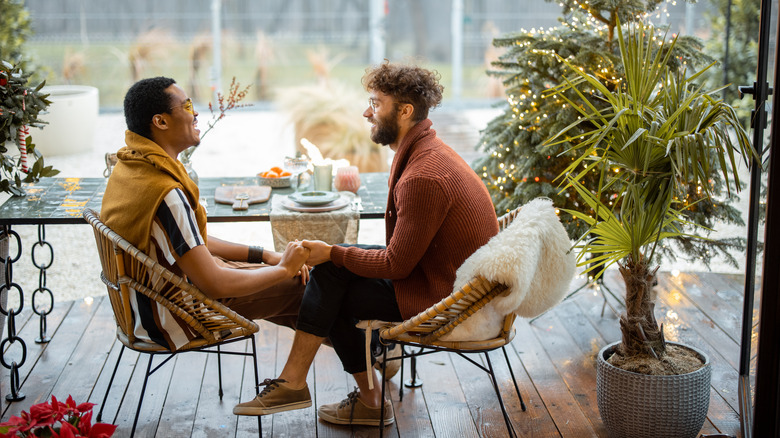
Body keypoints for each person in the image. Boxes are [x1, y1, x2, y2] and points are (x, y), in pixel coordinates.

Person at [232, 61, 499, 427]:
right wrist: (332, 256)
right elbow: (402, 255)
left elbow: (397, 266)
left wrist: (333, 253)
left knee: (333, 291)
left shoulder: (423, 175)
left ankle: (347, 396)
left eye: (375, 102)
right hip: (441, 276)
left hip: (445, 295)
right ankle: (335, 385)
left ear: (404, 111)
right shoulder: (424, 152)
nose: (366, 111)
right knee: (331, 272)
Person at [101, 77, 310, 351]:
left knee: (302, 292)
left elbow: (189, 241)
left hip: (144, 307)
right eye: (187, 105)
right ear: (161, 122)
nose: (196, 112)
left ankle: (366, 367)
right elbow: (215, 283)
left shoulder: (132, 167)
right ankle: (364, 365)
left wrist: (265, 256)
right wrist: (283, 269)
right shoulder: (164, 192)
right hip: (176, 316)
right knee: (313, 287)